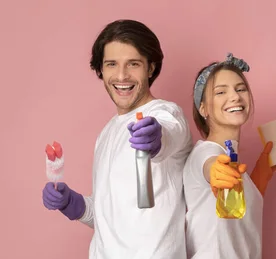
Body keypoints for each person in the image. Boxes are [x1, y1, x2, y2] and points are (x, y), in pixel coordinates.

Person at [41, 19, 193, 258]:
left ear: (150, 68)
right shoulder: (106, 133)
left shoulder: (165, 113)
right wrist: (74, 204)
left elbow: (171, 133)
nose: (121, 75)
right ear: (101, 69)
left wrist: (157, 137)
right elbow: (107, 220)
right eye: (112, 64)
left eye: (133, 64)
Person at [183, 53, 276, 259]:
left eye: (240, 89)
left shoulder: (232, 161)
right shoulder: (206, 153)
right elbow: (210, 165)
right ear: (203, 108)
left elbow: (241, 217)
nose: (235, 96)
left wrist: (264, 170)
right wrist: (214, 170)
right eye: (220, 92)